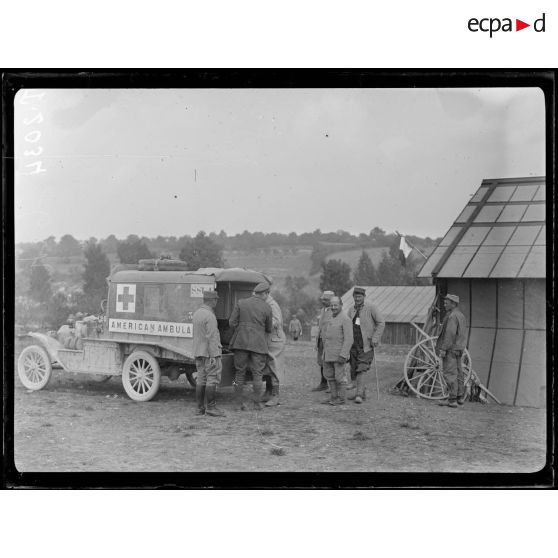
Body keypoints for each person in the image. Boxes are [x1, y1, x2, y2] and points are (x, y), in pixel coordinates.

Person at [229, 282, 273, 410]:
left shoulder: (241, 303)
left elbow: (232, 322)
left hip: (240, 342)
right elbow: (269, 328)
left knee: (239, 373)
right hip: (258, 344)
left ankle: (238, 403)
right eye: (267, 294)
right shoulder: (267, 307)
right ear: (264, 293)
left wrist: (241, 330)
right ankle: (257, 403)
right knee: (257, 374)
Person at [347, 286, 385, 404]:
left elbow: (381, 323)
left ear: (364, 297)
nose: (357, 299)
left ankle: (358, 395)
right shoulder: (351, 310)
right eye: (355, 296)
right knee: (353, 369)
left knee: (361, 368)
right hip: (353, 344)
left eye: (359, 296)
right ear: (353, 297)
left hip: (367, 344)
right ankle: (362, 393)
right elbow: (348, 325)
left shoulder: (371, 307)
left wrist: (375, 338)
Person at [192, 290, 225, 417]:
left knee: (201, 379)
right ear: (211, 301)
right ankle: (211, 407)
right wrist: (213, 355)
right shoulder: (210, 316)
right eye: (216, 299)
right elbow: (212, 337)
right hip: (209, 353)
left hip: (198, 351)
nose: (216, 301)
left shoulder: (197, 313)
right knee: (212, 378)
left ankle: (199, 408)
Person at [436, 294, 468, 408]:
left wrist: (444, 349)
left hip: (451, 349)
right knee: (459, 372)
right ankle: (460, 397)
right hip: (459, 348)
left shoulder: (452, 316)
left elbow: (449, 334)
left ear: (453, 304)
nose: (444, 305)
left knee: (450, 373)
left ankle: (452, 400)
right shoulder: (461, 315)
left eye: (446, 303)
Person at [321, 296, 353, 405]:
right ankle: (333, 397)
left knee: (340, 378)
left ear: (341, 305)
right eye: (332, 305)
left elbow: (349, 339)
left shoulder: (345, 319)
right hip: (328, 354)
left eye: (336, 305)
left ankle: (342, 399)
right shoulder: (330, 317)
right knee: (329, 376)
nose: (333, 307)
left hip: (339, 354)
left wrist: (343, 355)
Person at [261, 290, 286, 407]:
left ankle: (276, 396)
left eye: (259, 294)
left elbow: (277, 321)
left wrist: (261, 322)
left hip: (275, 340)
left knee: (274, 367)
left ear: (265, 294)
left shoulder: (272, 305)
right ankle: (268, 392)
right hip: (269, 339)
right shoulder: (265, 303)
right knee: (268, 367)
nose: (257, 296)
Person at [311, 290, 334, 391]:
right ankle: (323, 383)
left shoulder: (335, 310)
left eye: (326, 299)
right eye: (322, 299)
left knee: (330, 362)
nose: (323, 301)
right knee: (321, 362)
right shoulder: (323, 310)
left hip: (330, 342)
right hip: (321, 340)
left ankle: (333, 385)